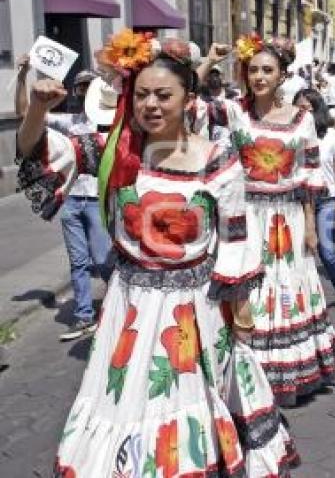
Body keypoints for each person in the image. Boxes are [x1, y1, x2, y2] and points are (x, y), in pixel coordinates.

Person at [17, 32, 298, 477]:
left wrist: (241, 314)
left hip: (195, 312)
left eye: (163, 94)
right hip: (128, 308)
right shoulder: (116, 150)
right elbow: (38, 152)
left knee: (183, 399)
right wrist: (36, 107)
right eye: (141, 94)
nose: (151, 104)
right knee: (127, 396)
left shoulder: (216, 155)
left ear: (188, 98)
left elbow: (237, 237)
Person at [194, 37, 335, 406]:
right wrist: (209, 61)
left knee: (286, 286)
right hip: (245, 215)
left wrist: (311, 225)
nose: (259, 76)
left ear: (281, 76)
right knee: (248, 287)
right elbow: (190, 106)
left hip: (289, 217)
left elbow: (311, 174)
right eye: (253, 70)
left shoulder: (303, 119)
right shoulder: (235, 113)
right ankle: (248, 373)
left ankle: (288, 370)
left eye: (267, 70)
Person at [16, 62, 114, 341]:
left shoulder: (110, 122)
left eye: (90, 86)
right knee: (78, 262)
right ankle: (84, 316)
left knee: (104, 261)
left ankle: (120, 305)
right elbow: (26, 115)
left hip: (98, 202)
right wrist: (23, 77)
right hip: (71, 201)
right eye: (80, 87)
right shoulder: (69, 122)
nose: (84, 91)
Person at [294, 89, 335, 310]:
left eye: (307, 109)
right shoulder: (291, 135)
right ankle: (304, 295)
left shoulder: (331, 136)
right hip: (298, 199)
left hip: (326, 199)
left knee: (326, 250)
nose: (303, 113)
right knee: (299, 250)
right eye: (299, 108)